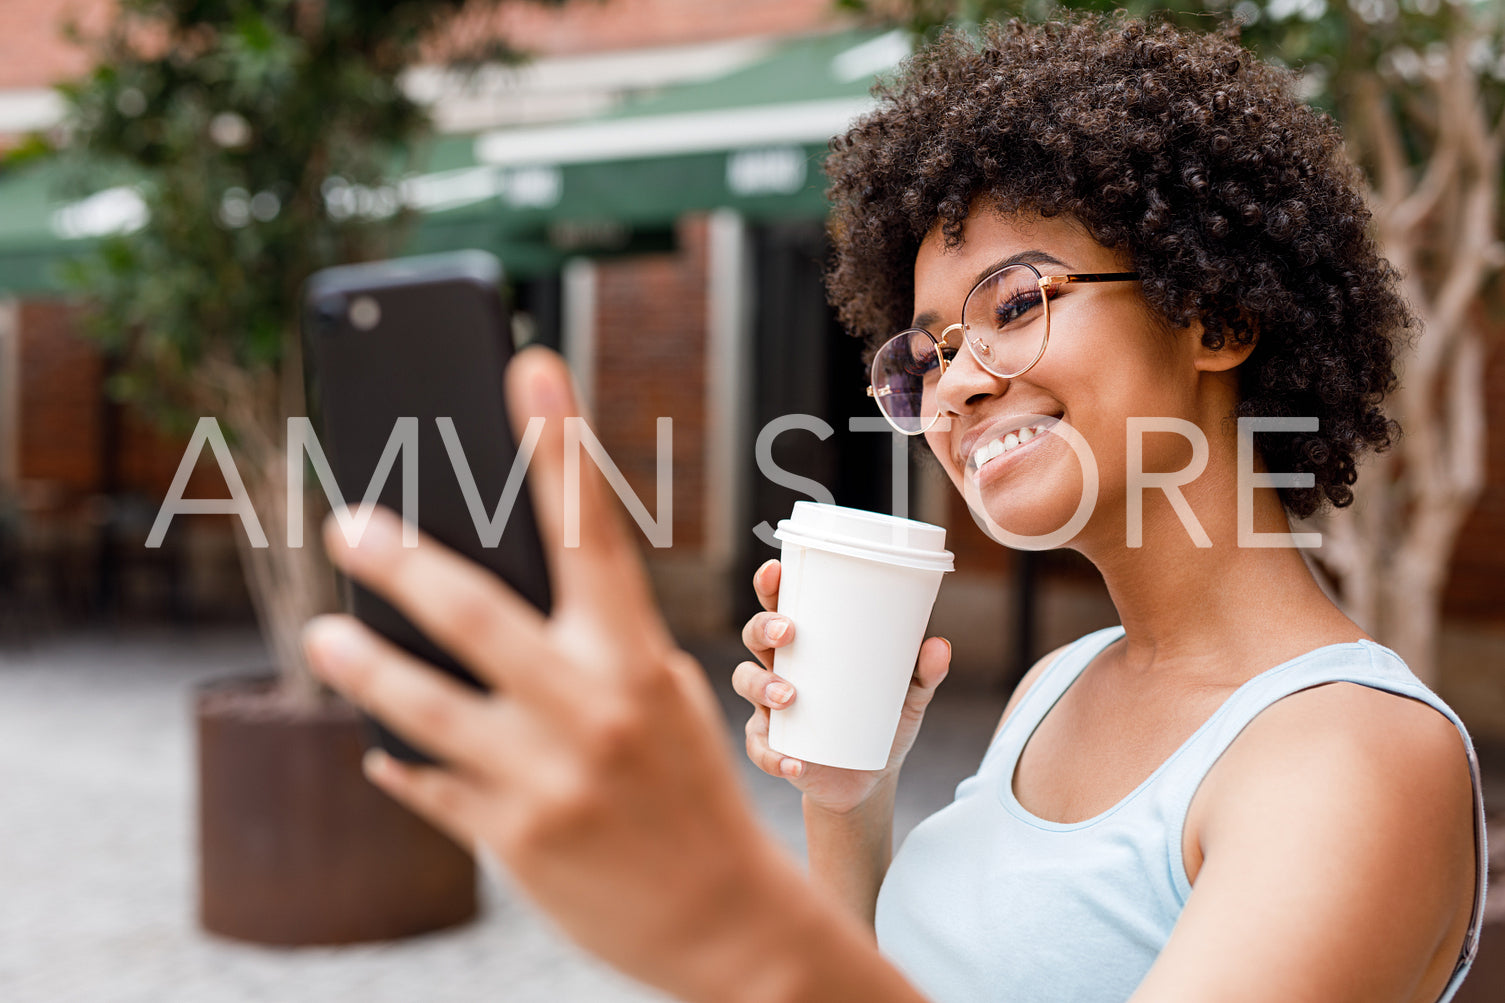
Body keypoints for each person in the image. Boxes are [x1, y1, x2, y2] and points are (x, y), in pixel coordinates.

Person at [303, 15, 1486, 1003]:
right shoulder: (1053, 689)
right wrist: (846, 799)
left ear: (1215, 315)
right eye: (927, 347)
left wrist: (714, 908)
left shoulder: (1354, 759)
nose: (958, 382)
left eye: (1014, 302)